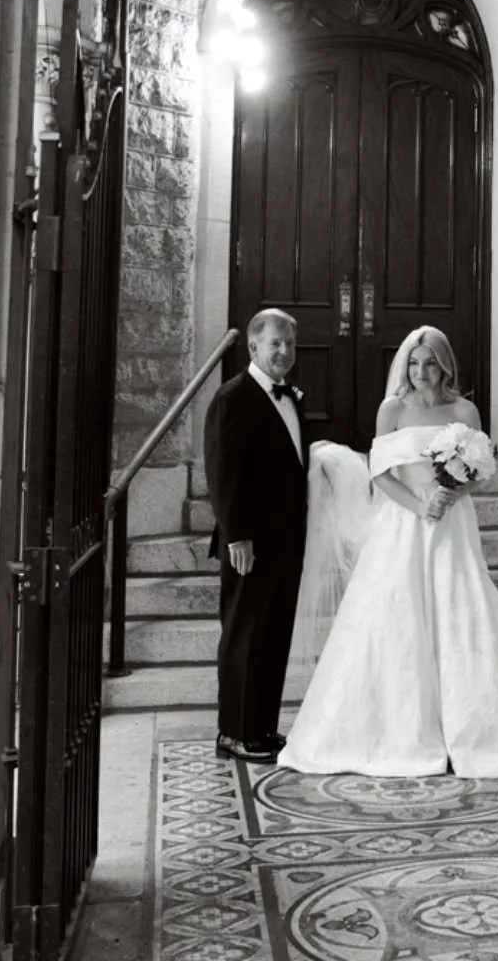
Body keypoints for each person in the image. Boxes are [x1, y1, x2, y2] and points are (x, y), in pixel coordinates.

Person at [277, 326, 498, 778]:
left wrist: (453, 492)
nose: (421, 372)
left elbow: (481, 468)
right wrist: (419, 504)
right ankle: (402, 730)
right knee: (397, 614)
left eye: (430, 362)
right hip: (402, 524)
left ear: (444, 365)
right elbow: (379, 473)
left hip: (452, 524)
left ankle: (473, 728)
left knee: (459, 611)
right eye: (414, 363)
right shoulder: (392, 410)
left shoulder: (465, 409)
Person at [203, 308, 308, 763]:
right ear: (253, 347)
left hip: (287, 539)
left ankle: (263, 726)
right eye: (274, 344)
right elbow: (224, 473)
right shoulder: (233, 397)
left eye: (289, 344)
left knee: (273, 636)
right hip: (249, 543)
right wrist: (237, 536)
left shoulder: (292, 398)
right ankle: (235, 733)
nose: (283, 351)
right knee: (244, 635)